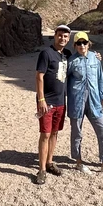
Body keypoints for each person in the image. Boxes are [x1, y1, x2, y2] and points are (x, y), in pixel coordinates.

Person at [66, 31, 103, 174]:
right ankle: (78, 162)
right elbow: (64, 81)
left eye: (84, 42)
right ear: (75, 45)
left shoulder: (95, 59)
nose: (82, 45)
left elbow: (100, 79)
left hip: (95, 101)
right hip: (76, 102)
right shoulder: (71, 61)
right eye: (79, 43)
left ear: (89, 44)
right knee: (77, 132)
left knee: (102, 131)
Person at [34, 24, 73, 185]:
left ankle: (50, 162)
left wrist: (96, 56)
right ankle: (42, 169)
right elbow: (39, 76)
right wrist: (41, 99)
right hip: (47, 102)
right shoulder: (46, 53)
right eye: (60, 35)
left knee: (55, 133)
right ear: (55, 36)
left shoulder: (67, 54)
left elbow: (82, 56)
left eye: (65, 36)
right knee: (45, 134)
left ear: (68, 39)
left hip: (60, 101)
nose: (62, 38)